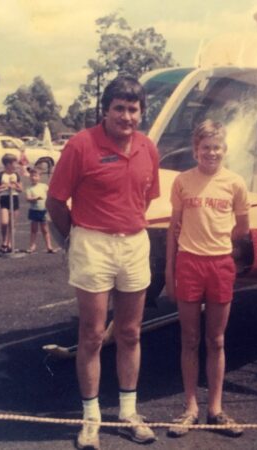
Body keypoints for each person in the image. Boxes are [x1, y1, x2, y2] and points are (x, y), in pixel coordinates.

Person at [46, 76, 160, 449]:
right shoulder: (81, 145)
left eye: (133, 109)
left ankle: (128, 413)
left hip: (134, 244)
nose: (127, 116)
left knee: (129, 333)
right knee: (92, 336)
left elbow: (144, 200)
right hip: (92, 243)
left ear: (141, 112)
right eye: (119, 109)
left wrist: (124, 227)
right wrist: (76, 238)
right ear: (106, 110)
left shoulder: (148, 148)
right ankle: (91, 419)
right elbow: (55, 202)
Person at [165, 120, 250, 438]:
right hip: (188, 263)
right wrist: (169, 271)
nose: (211, 153)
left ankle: (215, 409)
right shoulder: (183, 182)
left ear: (225, 149)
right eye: (205, 148)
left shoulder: (235, 183)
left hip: (220, 265)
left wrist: (220, 246)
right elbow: (173, 229)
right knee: (189, 339)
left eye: (216, 147)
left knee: (216, 340)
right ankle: (190, 407)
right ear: (195, 150)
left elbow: (243, 228)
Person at [0, 153, 22, 253]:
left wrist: (16, 186)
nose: (17, 165)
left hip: (14, 198)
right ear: (8, 164)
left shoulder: (16, 175)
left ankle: (9, 244)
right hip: (4, 199)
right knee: (4, 222)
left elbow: (20, 189)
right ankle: (4, 240)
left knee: (12, 224)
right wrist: (3, 187)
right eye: (15, 163)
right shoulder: (0, 175)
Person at [25, 168, 56, 254]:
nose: (33, 177)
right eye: (31, 176)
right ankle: (32, 246)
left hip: (43, 210)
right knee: (33, 229)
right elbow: (28, 199)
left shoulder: (44, 186)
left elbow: (50, 194)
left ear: (39, 177)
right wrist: (34, 199)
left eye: (35, 176)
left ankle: (49, 246)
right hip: (34, 211)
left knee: (45, 230)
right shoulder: (29, 188)